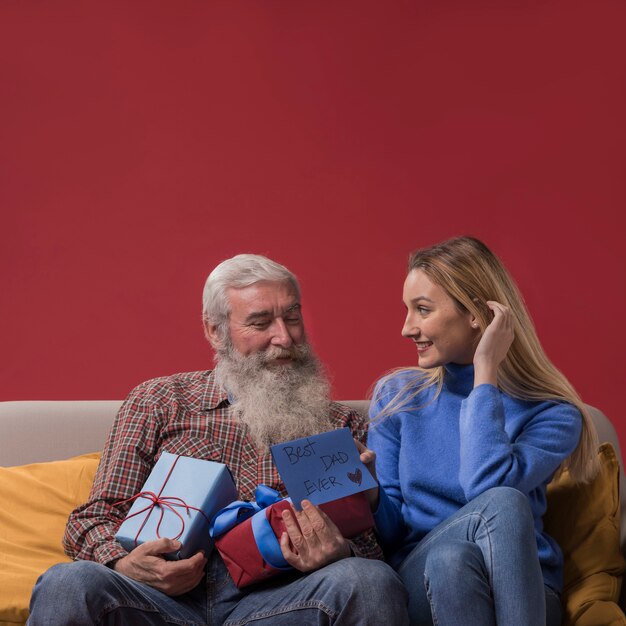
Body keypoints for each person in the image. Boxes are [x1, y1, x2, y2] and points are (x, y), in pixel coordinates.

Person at [27, 254, 409, 626]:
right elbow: (92, 517)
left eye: (292, 317)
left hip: (284, 601)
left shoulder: (339, 424)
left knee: (370, 582)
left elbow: (375, 549)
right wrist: (123, 563)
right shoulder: (160, 401)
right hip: (158, 602)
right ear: (215, 330)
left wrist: (339, 552)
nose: (285, 336)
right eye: (261, 322)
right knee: (67, 583)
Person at [363, 236, 599, 626]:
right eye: (408, 310)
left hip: (527, 591)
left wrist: (484, 374)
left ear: (476, 314)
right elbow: (391, 536)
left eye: (422, 310)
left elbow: (483, 486)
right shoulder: (398, 396)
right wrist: (369, 493)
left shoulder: (554, 414)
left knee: (496, 507)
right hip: (424, 581)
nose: (407, 328)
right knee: (448, 557)